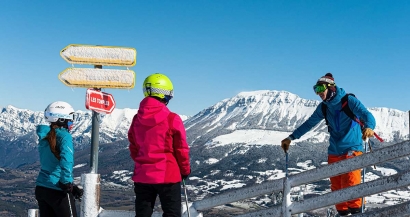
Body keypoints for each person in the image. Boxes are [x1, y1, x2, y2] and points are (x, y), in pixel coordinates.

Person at [280, 73, 376, 216]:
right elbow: (309, 123)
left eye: (320, 88)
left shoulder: (348, 100)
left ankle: (357, 213)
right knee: (337, 188)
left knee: (352, 183)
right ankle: (343, 213)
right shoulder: (324, 107)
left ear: (331, 87)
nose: (318, 92)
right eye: (315, 89)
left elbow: (367, 115)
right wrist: (291, 137)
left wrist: (369, 127)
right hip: (335, 150)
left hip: (353, 148)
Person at [128, 73, 191, 217]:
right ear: (165, 95)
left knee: (142, 213)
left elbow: (133, 146)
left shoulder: (136, 119)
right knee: (172, 213)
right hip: (168, 174)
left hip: (142, 175)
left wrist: (142, 162)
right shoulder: (172, 119)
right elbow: (181, 149)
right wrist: (185, 170)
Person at [35, 101, 83, 217]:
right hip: (57, 190)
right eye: (71, 118)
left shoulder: (45, 136)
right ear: (62, 119)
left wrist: (72, 186)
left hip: (42, 188)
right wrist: (67, 182)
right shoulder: (64, 136)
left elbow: (51, 164)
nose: (72, 122)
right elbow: (66, 159)